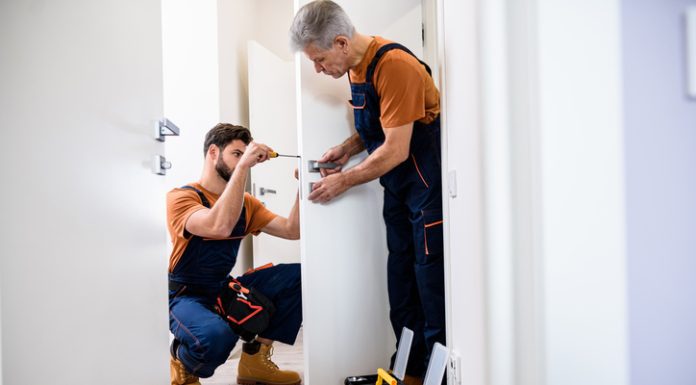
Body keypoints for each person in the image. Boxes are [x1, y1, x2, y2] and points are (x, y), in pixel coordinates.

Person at [290, 2, 445, 384]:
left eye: (320, 59)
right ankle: (407, 371)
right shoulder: (356, 66)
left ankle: (436, 378)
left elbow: (396, 148)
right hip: (398, 188)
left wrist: (342, 180)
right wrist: (347, 148)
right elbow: (382, 123)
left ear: (341, 42)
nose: (318, 69)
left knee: (429, 287)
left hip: (424, 187)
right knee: (402, 284)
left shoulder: (395, 66)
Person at [167, 123, 303, 385]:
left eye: (245, 154)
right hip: (186, 295)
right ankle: (183, 363)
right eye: (237, 154)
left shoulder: (246, 203)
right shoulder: (182, 198)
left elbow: (292, 230)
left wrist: (303, 184)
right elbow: (218, 226)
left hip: (222, 286)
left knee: (298, 276)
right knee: (216, 337)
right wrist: (244, 167)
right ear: (214, 153)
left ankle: (255, 362)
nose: (244, 160)